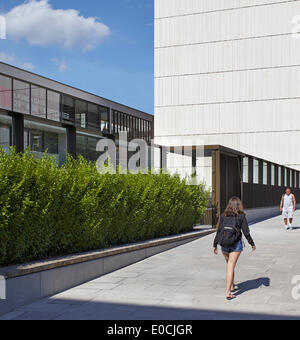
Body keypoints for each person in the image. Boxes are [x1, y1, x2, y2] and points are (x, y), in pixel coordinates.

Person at [213, 197, 256, 300]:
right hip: (236, 244)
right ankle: (228, 292)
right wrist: (252, 243)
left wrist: (215, 244)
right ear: (239, 205)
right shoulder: (241, 216)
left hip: (224, 244)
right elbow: (246, 232)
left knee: (229, 265)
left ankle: (232, 286)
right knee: (230, 266)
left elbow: (219, 231)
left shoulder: (223, 216)